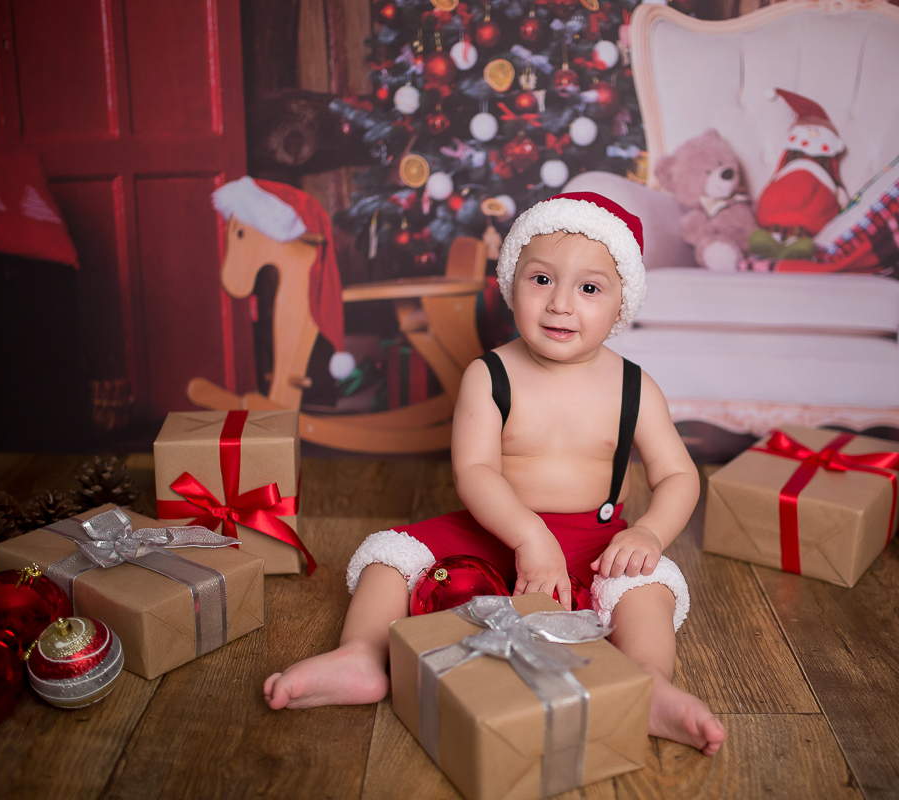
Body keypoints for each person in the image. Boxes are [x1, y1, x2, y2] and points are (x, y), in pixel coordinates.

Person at [263, 192, 726, 756]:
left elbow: (679, 475)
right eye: (540, 280)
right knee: (390, 556)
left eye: (588, 288)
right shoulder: (490, 375)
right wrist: (528, 534)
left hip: (594, 538)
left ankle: (649, 681)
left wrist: (649, 533)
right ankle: (361, 654)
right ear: (511, 283)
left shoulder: (634, 386)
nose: (560, 304)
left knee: (646, 589)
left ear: (621, 301)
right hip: (492, 526)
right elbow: (475, 469)